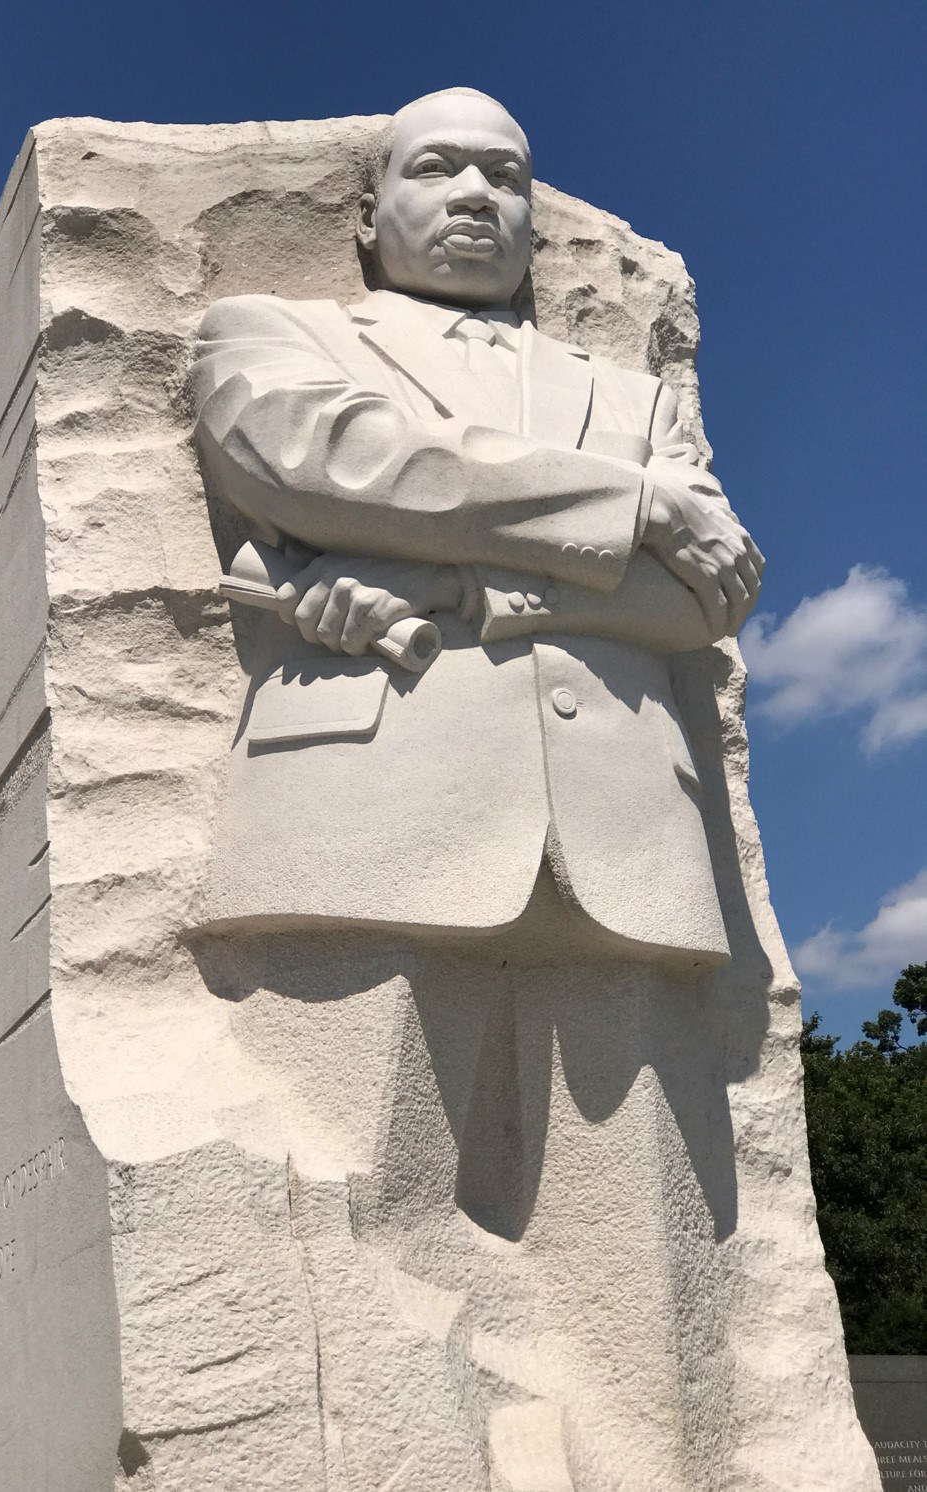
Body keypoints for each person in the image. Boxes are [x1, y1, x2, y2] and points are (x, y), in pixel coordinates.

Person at [188, 89, 772, 1489]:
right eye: (434, 168)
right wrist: (618, 509)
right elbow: (325, 463)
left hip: (625, 829)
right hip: (370, 809)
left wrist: (444, 577)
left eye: (502, 174)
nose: (471, 195)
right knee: (352, 1217)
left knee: (644, 1268)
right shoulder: (275, 337)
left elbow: (703, 601)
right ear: (366, 213)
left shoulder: (634, 398)